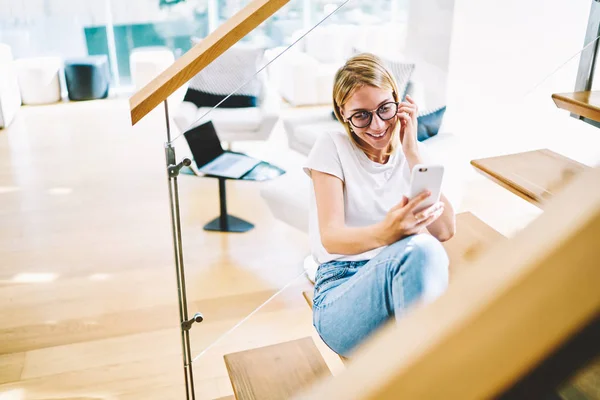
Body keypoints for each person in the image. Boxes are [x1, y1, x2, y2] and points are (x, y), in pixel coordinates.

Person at [303, 53, 456, 357]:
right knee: (423, 249)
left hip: (401, 280)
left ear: (399, 104)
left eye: (385, 109)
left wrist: (412, 152)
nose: (377, 125)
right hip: (340, 290)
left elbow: (445, 229)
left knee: (429, 250)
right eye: (361, 115)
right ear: (342, 114)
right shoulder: (332, 146)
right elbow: (331, 237)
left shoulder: (414, 156)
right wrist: (388, 232)